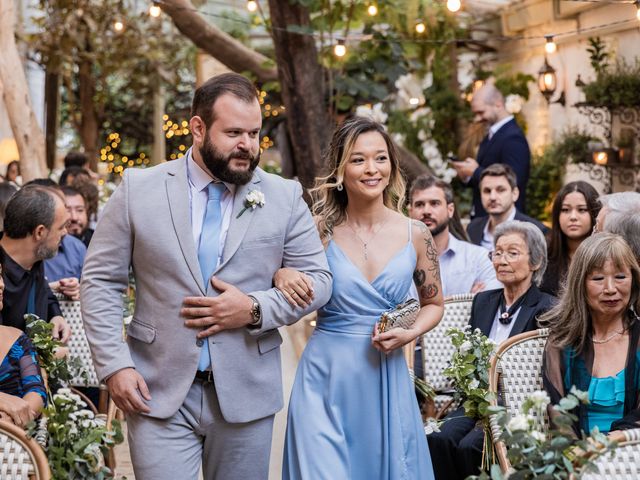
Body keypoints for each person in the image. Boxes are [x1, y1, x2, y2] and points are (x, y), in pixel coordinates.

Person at [80, 72, 332, 480]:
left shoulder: (283, 195)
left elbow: (319, 280)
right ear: (197, 128)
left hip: (246, 394)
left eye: (254, 133)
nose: (247, 145)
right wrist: (114, 365)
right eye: (233, 132)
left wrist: (253, 308)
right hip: (156, 391)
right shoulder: (138, 189)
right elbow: (100, 281)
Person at [281, 117, 444, 479]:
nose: (372, 169)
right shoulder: (317, 231)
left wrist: (409, 333)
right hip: (323, 380)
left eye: (380, 158)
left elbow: (433, 304)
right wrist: (282, 272)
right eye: (358, 159)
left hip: (384, 377)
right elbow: (284, 283)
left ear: (392, 165)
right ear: (340, 169)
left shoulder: (416, 234)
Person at [428, 220, 554, 480]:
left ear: (536, 262)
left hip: (514, 407)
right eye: (497, 252)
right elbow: (469, 354)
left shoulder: (546, 308)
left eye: (512, 253)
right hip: (477, 401)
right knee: (439, 437)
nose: (502, 260)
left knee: (470, 447)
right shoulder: (483, 301)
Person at [542, 233, 640, 436]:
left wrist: (613, 441)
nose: (610, 289)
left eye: (620, 277)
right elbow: (557, 412)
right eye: (598, 278)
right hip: (576, 457)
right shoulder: (561, 341)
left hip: (632, 453)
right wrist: (578, 456)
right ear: (580, 284)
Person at [408, 174, 501, 296]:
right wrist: (465, 300)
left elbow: (491, 302)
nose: (426, 211)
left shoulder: (478, 258)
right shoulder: (399, 263)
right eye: (419, 205)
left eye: (434, 203)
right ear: (410, 212)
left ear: (450, 210)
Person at [0, 186, 71, 341]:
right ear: (39, 232)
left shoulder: (34, 259)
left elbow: (44, 293)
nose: (65, 232)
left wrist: (56, 316)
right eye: (61, 227)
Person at [452, 84, 531, 218]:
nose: (477, 118)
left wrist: (475, 171)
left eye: (481, 112)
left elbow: (514, 180)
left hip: (503, 220)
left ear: (498, 105)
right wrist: (466, 176)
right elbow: (483, 177)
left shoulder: (513, 137)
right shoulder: (491, 134)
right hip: (483, 218)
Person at [0, 265, 47, 428]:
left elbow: (36, 391)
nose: (1, 284)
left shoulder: (18, 339)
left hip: (14, 445)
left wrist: (11, 423)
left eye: (0, 275)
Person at [467, 164, 548, 249]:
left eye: (500, 190)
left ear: (515, 193)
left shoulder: (536, 231)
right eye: (487, 191)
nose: (492, 197)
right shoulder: (473, 228)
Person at [540, 181, 600, 296]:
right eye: (565, 210)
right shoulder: (544, 255)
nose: (573, 217)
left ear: (594, 213)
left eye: (582, 210)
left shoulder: (607, 254)